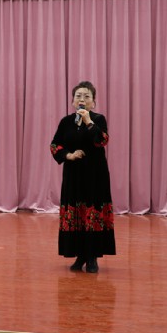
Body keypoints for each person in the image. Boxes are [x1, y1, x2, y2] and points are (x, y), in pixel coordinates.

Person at [50, 81, 115, 273]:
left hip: (95, 176)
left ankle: (92, 257)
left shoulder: (98, 119)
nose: (82, 99)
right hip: (73, 176)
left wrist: (88, 122)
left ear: (93, 102)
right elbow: (55, 145)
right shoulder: (66, 122)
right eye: (78, 96)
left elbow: (102, 140)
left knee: (92, 213)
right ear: (72, 101)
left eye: (87, 96)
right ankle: (80, 255)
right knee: (77, 214)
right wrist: (68, 155)